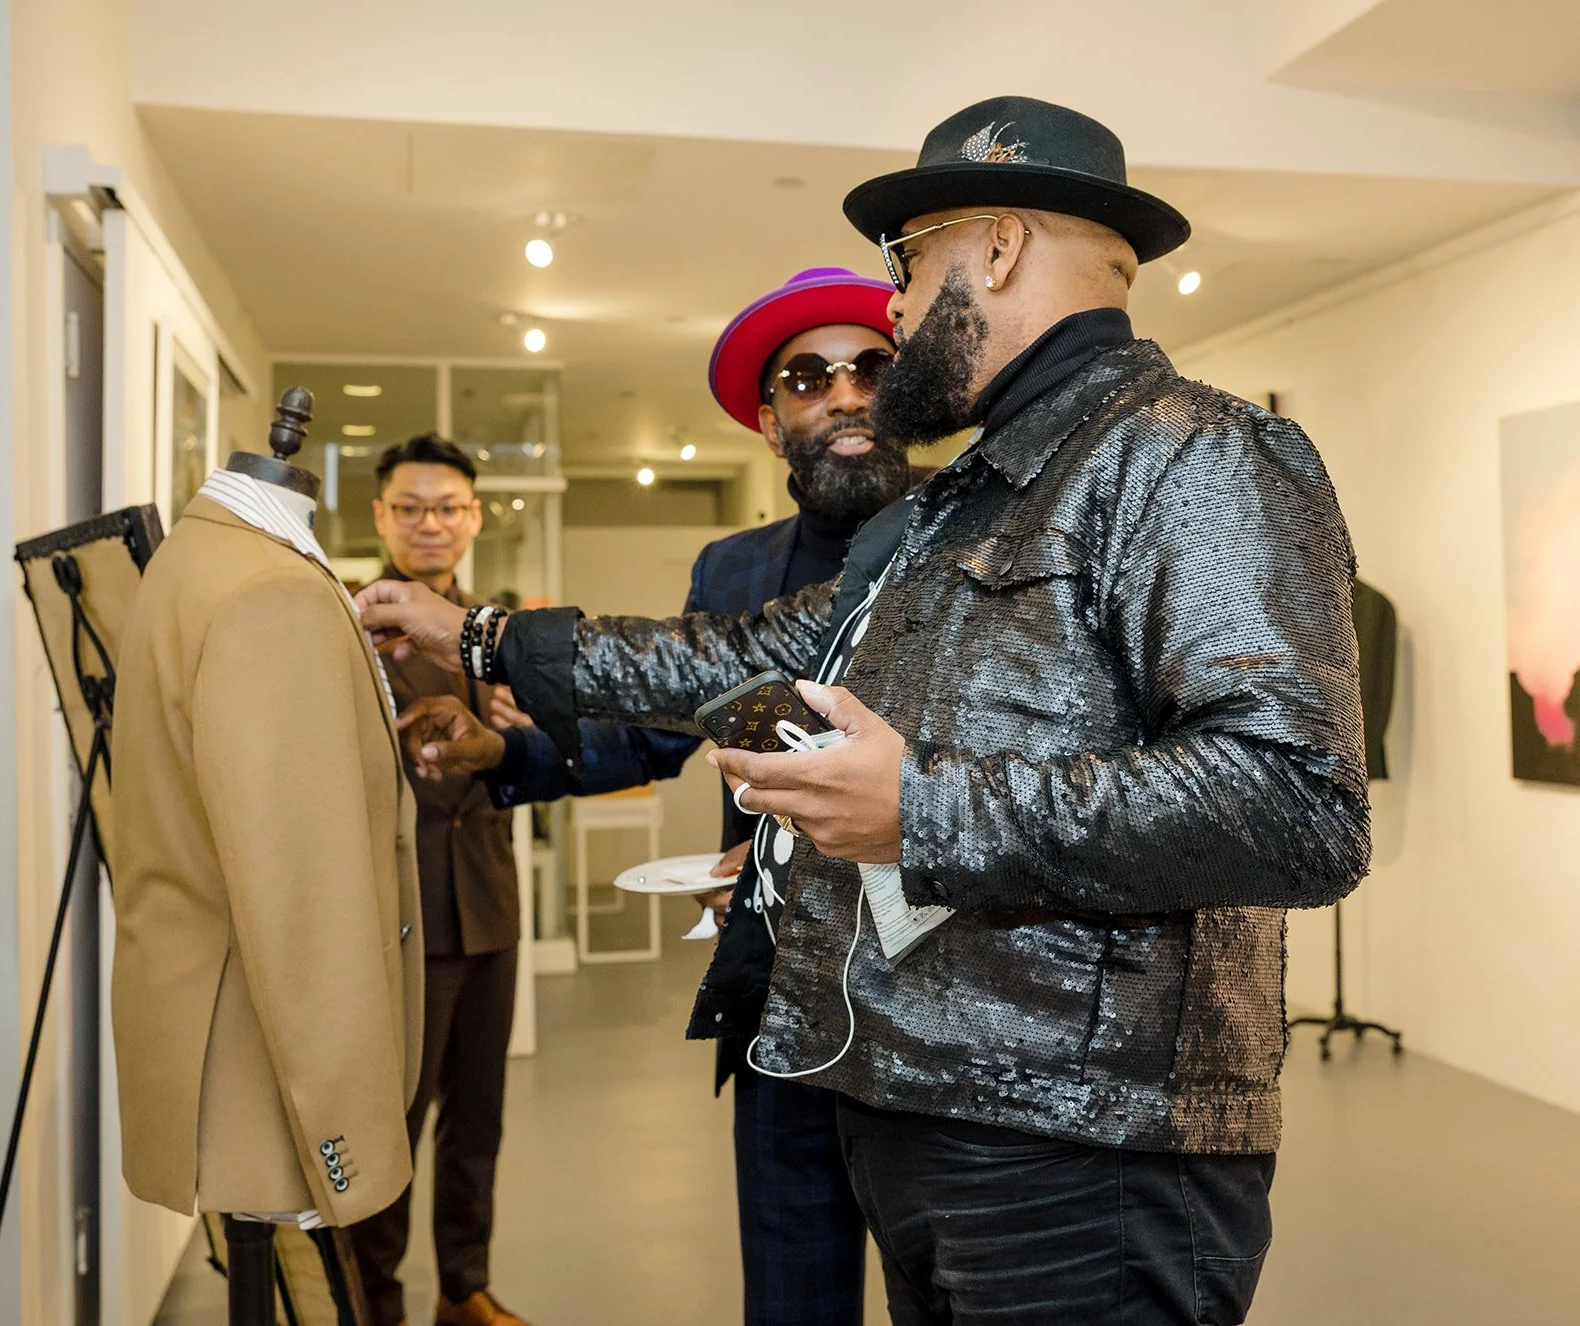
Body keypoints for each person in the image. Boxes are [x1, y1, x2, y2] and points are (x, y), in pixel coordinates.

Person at [357, 95, 1371, 1326]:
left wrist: (919, 805)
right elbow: (740, 654)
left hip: (1085, 1154)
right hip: (909, 1107)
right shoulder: (951, 507)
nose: (891, 307)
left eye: (907, 264)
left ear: (993, 249)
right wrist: (473, 632)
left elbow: (1296, 805)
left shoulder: (1195, 456)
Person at [395, 267, 909, 1326]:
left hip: (947, 1011)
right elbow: (649, 730)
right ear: (771, 421)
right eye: (808, 377)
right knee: (792, 1296)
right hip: (780, 1002)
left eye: (872, 368)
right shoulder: (733, 570)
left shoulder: (976, 551)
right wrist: (500, 754)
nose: (844, 395)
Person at [348, 435, 534, 1326]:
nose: (431, 523)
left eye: (448, 507)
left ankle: (463, 1286)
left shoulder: (499, 633)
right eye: (411, 508)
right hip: (397, 911)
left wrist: (530, 725)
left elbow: (541, 754)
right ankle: (373, 1302)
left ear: (475, 517)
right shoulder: (346, 627)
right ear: (382, 517)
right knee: (393, 1125)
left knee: (479, 1119)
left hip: (490, 897)